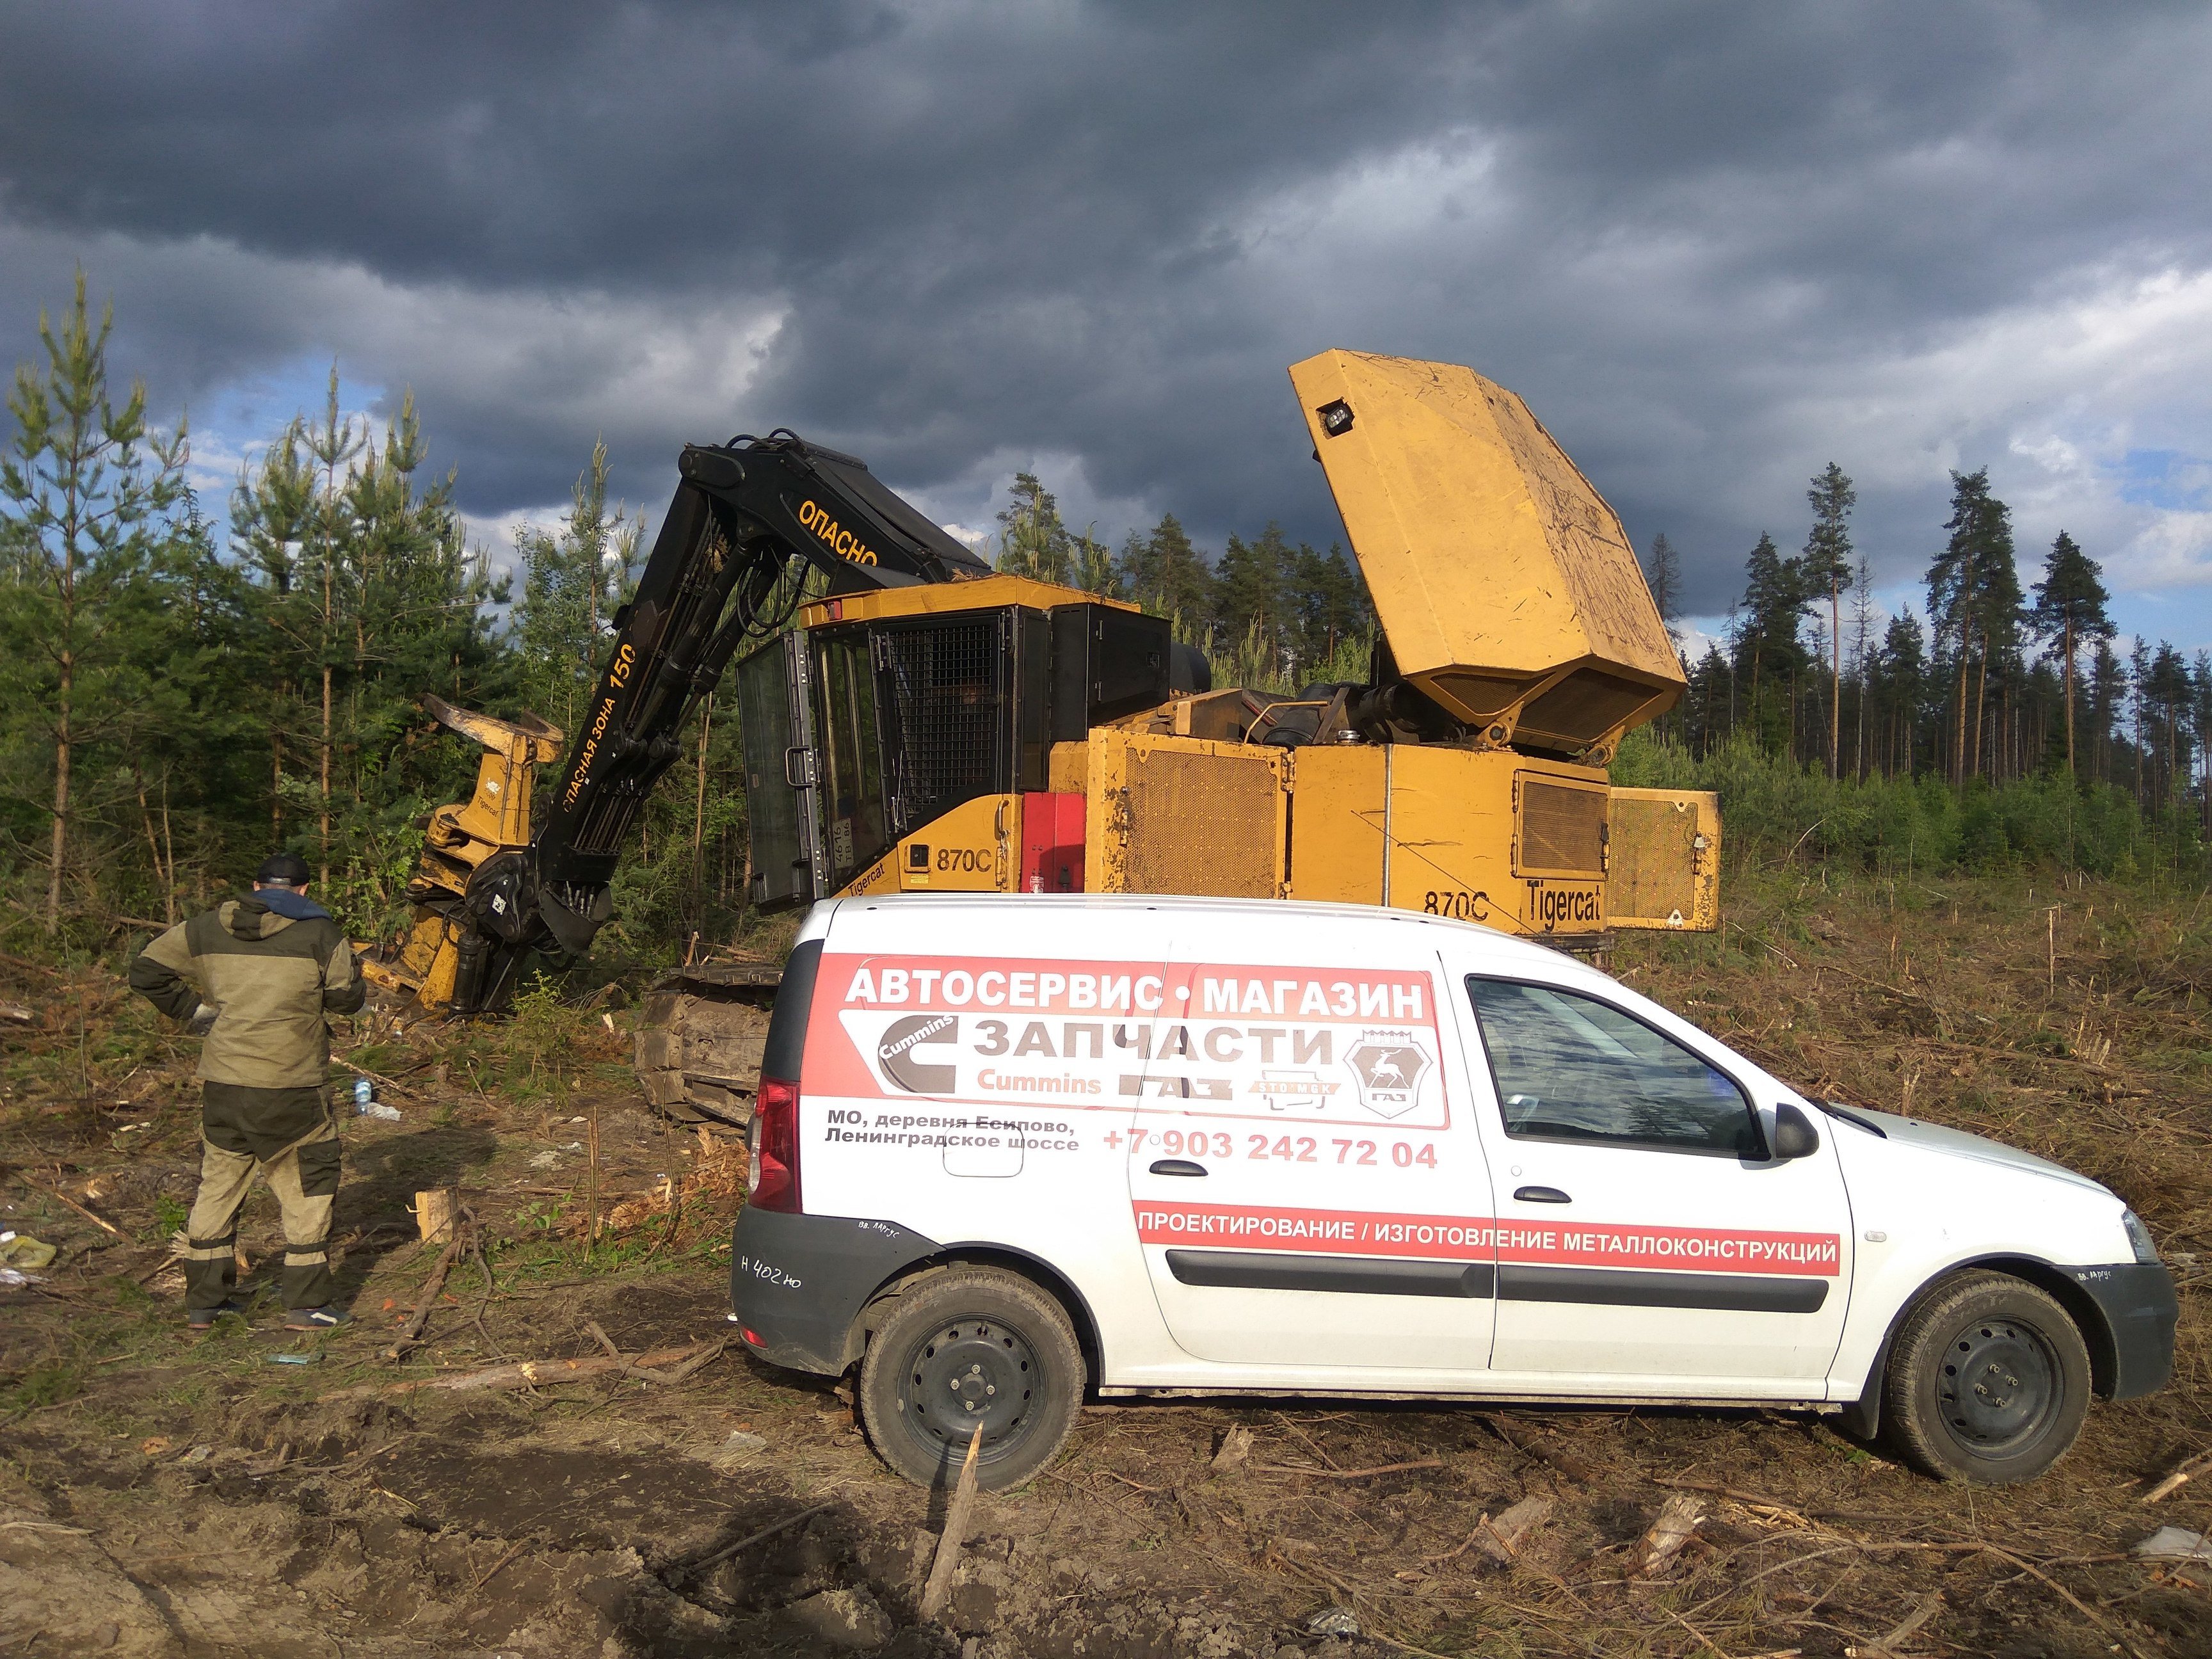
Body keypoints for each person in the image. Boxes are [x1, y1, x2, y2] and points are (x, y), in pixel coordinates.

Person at [129, 852, 365, 1329]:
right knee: (307, 1190)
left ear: (256, 888)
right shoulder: (321, 933)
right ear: (301, 891)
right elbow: (347, 999)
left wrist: (195, 1014)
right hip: (291, 1086)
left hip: (223, 1085)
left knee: (218, 1186)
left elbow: (146, 971)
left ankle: (205, 1304)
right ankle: (305, 1305)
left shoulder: (205, 927)